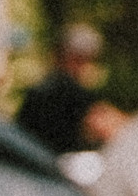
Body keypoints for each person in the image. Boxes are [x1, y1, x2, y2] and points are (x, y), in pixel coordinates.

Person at [16, 23, 127, 155]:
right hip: (56, 167)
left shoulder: (36, 91)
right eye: (86, 59)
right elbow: (108, 126)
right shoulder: (71, 93)